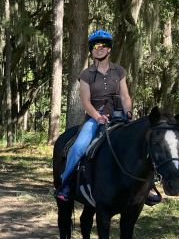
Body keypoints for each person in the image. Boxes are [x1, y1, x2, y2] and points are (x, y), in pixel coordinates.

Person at [56, 29, 159, 205]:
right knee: (79, 148)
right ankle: (65, 185)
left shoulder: (119, 71)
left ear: (109, 49)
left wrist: (128, 113)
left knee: (142, 144)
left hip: (119, 116)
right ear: (91, 50)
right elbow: (86, 102)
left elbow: (125, 96)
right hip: (94, 119)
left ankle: (146, 188)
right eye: (96, 45)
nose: (100, 48)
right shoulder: (86, 75)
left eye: (104, 45)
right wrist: (97, 117)